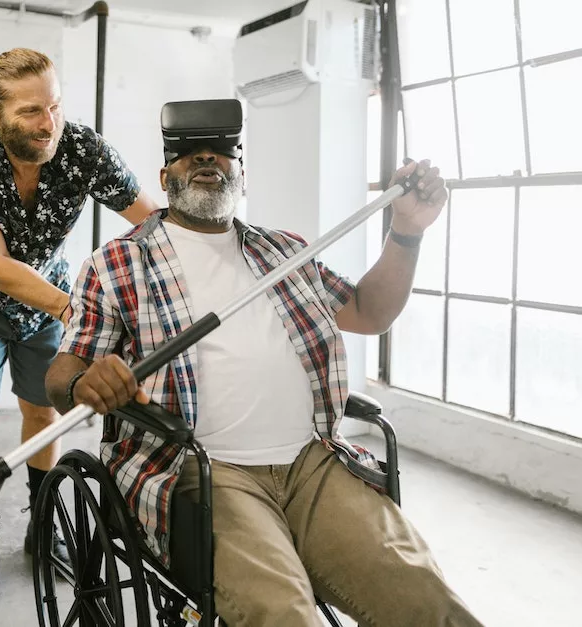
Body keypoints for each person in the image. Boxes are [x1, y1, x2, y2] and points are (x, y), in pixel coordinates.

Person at [44, 102, 484, 626]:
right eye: (188, 154)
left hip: (311, 462)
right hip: (202, 472)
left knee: (428, 602)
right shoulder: (118, 261)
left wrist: (407, 230)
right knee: (281, 613)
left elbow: (370, 311)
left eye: (223, 151)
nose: (207, 159)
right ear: (165, 177)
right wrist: (84, 382)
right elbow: (61, 374)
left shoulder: (286, 252)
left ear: (241, 174)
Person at [0, 48, 158, 627]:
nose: (48, 123)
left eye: (55, 106)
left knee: (43, 416)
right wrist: (74, 307)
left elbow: (150, 221)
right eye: (32, 111)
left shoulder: (83, 149)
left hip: (44, 312)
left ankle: (41, 526)